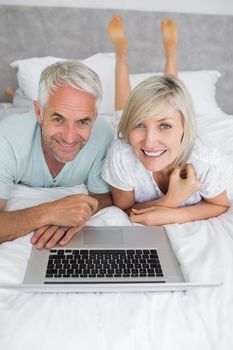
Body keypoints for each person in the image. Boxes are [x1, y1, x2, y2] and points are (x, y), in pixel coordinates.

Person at [102, 17, 230, 225]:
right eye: (139, 124)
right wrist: (172, 200)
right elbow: (124, 208)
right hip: (132, 130)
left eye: (164, 126)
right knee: (123, 111)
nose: (150, 141)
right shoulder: (122, 154)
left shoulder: (207, 161)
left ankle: (171, 54)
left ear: (185, 128)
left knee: (170, 96)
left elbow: (220, 204)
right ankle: (121, 55)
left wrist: (175, 215)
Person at [0, 60, 114, 248]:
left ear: (94, 118)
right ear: (39, 112)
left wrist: (76, 216)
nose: (69, 138)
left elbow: (104, 197)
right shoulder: (6, 141)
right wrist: (49, 212)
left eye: (83, 122)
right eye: (58, 119)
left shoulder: (103, 135)